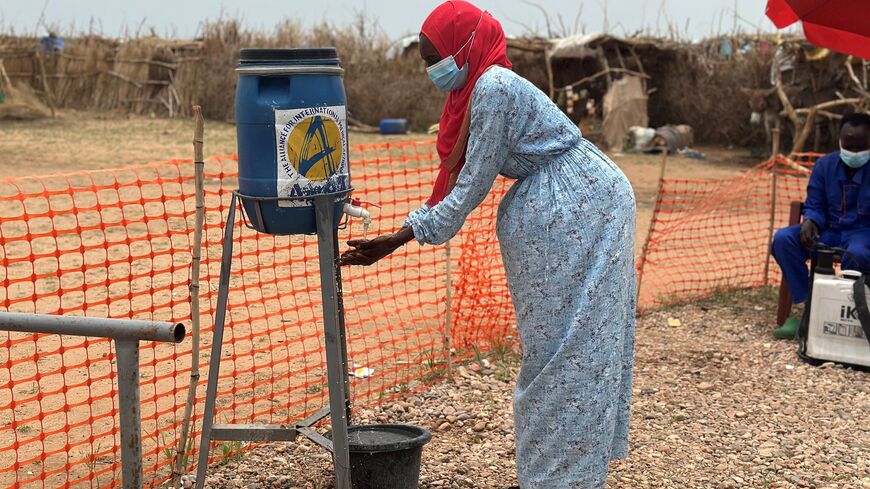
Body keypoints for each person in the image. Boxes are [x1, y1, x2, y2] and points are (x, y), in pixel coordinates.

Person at [339, 2, 637, 487]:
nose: (430, 67)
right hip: (565, 202)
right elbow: (462, 177)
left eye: (435, 56)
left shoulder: (493, 87)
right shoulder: (474, 91)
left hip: (584, 205)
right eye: (424, 59)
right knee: (559, 347)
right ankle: (559, 472)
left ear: (466, 46)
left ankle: (566, 476)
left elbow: (472, 184)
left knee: (573, 346)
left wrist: (400, 237)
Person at [771, 113, 870, 339]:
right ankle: (808, 308)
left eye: (861, 147)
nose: (854, 152)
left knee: (856, 254)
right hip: (829, 231)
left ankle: (847, 313)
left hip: (862, 234)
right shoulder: (825, 165)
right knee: (785, 239)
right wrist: (810, 221)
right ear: (839, 140)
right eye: (849, 145)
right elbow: (814, 202)